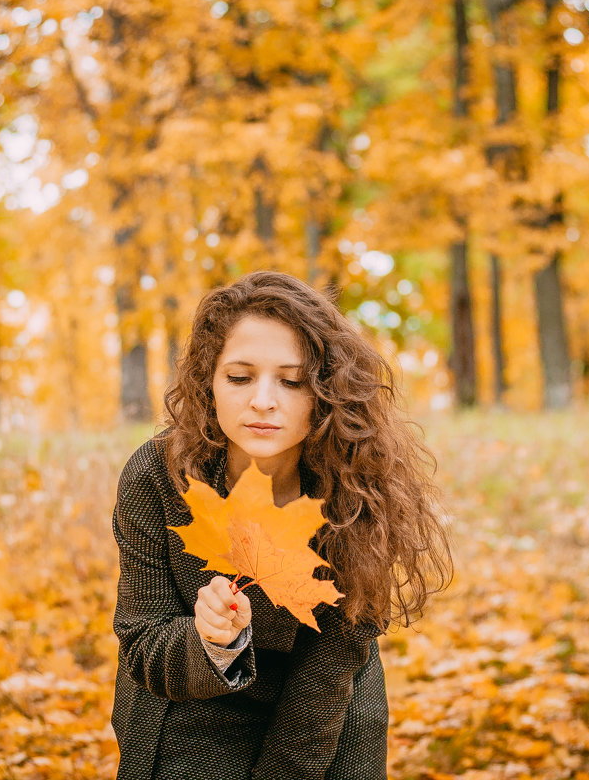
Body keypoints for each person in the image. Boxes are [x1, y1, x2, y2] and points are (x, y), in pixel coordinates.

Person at [111, 270, 452, 780]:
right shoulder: (157, 476)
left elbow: (328, 673)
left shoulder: (356, 486)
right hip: (187, 701)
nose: (263, 401)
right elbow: (142, 640)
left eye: (291, 381)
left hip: (323, 706)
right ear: (209, 381)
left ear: (326, 392)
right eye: (240, 377)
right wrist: (210, 641)